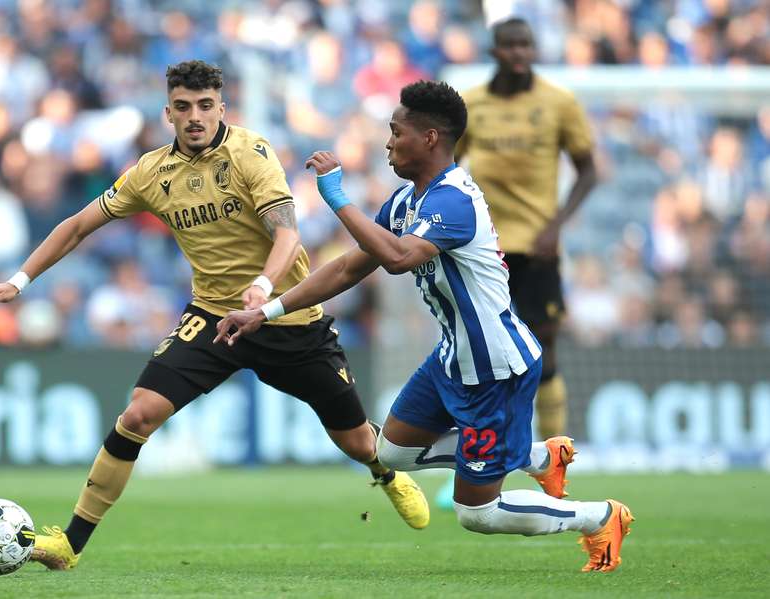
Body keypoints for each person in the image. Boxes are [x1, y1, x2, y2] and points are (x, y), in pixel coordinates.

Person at [0, 60, 430, 571]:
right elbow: (79, 226)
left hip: (286, 316)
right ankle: (70, 544)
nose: (196, 116)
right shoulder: (151, 172)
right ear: (168, 112)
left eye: (206, 106)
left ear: (222, 108)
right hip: (213, 318)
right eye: (185, 107)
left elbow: (287, 234)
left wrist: (262, 287)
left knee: (357, 441)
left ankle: (386, 473)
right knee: (138, 414)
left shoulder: (251, 154)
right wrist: (18, 281)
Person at [215, 80, 633, 573]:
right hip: (454, 357)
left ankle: (600, 517)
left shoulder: (454, 200)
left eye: (396, 132)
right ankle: (541, 458)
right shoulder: (407, 200)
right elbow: (351, 268)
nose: (388, 142)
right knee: (391, 450)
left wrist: (336, 197)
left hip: (494, 370)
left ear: (430, 138)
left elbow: (396, 258)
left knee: (478, 513)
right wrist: (266, 312)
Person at [454, 17, 598, 442]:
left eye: (527, 45)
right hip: (485, 249)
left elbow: (588, 170)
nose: (520, 53)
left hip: (538, 247)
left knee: (545, 351)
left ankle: (555, 462)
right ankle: (476, 457)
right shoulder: (472, 104)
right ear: (494, 50)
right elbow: (446, 167)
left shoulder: (559, 103)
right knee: (479, 355)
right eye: (511, 45)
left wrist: (555, 226)